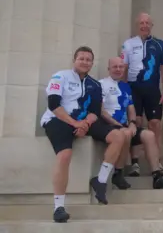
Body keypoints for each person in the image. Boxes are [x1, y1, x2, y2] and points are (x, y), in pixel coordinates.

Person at [40, 46, 127, 223]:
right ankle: (59, 207)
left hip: (83, 121)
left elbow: (95, 111)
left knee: (119, 136)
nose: (85, 62)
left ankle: (100, 180)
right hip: (58, 119)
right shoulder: (61, 76)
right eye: (82, 58)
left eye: (88, 59)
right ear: (74, 60)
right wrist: (75, 124)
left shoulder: (94, 85)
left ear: (92, 63)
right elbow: (53, 104)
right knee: (65, 155)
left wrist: (85, 124)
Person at [99, 57, 163, 189]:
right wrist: (118, 124)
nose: (118, 69)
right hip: (109, 126)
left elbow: (131, 108)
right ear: (108, 69)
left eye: (121, 67)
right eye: (115, 67)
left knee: (149, 135)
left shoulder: (126, 86)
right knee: (126, 133)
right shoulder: (101, 84)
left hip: (124, 126)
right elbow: (102, 112)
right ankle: (118, 173)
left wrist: (133, 122)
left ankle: (157, 176)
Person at [120, 12, 163, 177]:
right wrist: (124, 91)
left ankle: (157, 162)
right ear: (137, 25)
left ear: (151, 25)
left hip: (152, 90)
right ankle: (135, 163)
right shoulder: (128, 44)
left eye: (147, 23)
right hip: (134, 89)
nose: (144, 25)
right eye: (141, 23)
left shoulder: (160, 44)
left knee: (155, 124)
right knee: (137, 123)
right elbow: (123, 69)